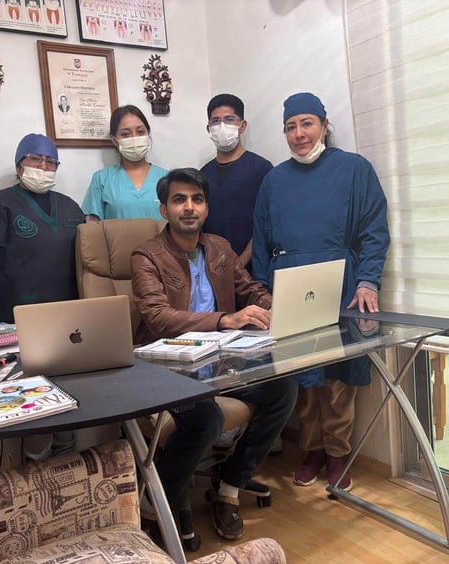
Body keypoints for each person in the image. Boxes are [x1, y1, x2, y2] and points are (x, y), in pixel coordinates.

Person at [131, 167, 298, 540]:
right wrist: (225, 319)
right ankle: (164, 503)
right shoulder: (146, 255)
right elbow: (157, 318)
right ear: (164, 210)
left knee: (282, 390)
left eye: (197, 199)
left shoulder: (220, 248)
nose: (189, 207)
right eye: (179, 199)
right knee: (204, 416)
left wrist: (277, 309)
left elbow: (251, 289)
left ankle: (229, 489)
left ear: (206, 207)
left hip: (220, 363)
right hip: (166, 368)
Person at [252, 92, 390, 492]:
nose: (299, 134)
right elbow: (260, 240)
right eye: (291, 127)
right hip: (289, 286)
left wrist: (367, 281)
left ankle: (338, 455)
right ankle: (311, 450)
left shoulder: (354, 170)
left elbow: (373, 232)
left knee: (337, 380)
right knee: (303, 381)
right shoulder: (273, 181)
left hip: (341, 284)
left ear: (325, 125)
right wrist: (263, 293)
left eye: (307, 123)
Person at [0, 133, 85, 324]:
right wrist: (16, 308)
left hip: (71, 314)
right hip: (20, 315)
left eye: (51, 162)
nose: (43, 166)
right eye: (35, 159)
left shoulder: (70, 206)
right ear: (18, 166)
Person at [201, 94, 272, 271]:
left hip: (254, 269)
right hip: (214, 269)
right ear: (209, 128)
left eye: (229, 119)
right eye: (215, 121)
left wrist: (239, 264)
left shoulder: (261, 169)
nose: (222, 126)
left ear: (242, 126)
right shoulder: (203, 175)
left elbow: (266, 224)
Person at [82, 105, 167, 222]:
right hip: (117, 241)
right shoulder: (102, 179)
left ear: (148, 134)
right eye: (125, 134)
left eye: (140, 132)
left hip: (162, 241)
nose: (135, 138)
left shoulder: (166, 178)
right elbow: (92, 228)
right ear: (114, 140)